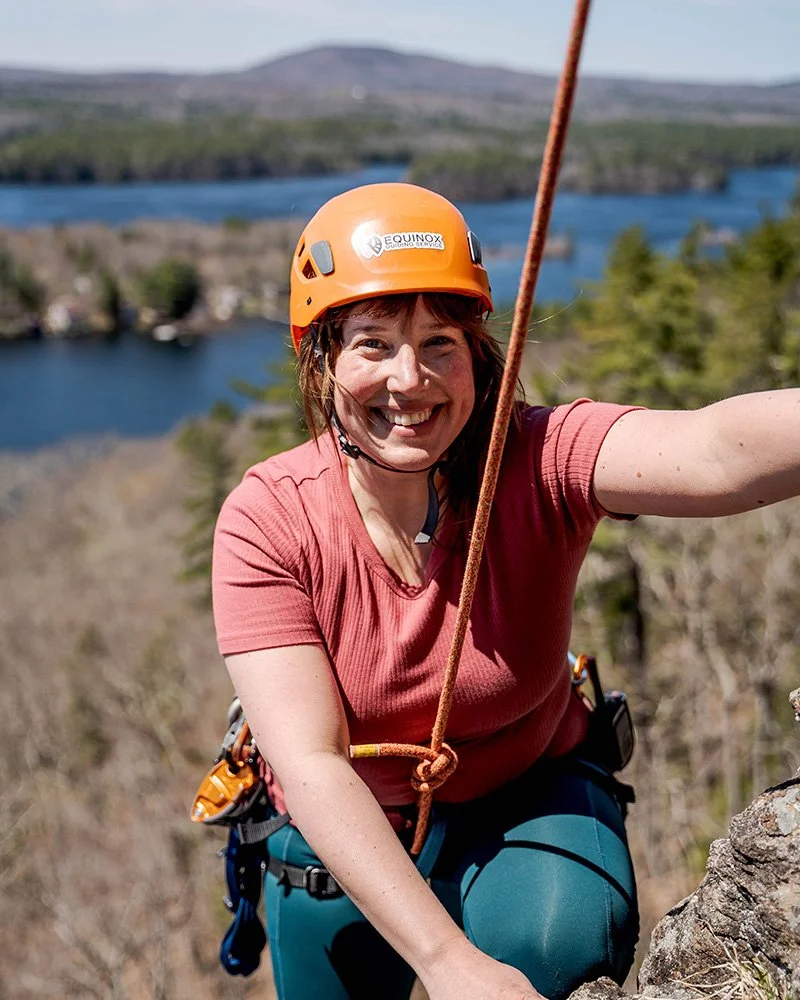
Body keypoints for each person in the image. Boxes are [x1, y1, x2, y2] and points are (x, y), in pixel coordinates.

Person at [211, 182, 800, 1000]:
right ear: (323, 361)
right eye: (373, 344)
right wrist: (449, 964)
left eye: (439, 343)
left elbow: (713, 454)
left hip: (526, 787)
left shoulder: (538, 459)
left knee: (554, 947)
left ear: (478, 353)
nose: (409, 380)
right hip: (338, 826)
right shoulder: (269, 522)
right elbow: (311, 764)